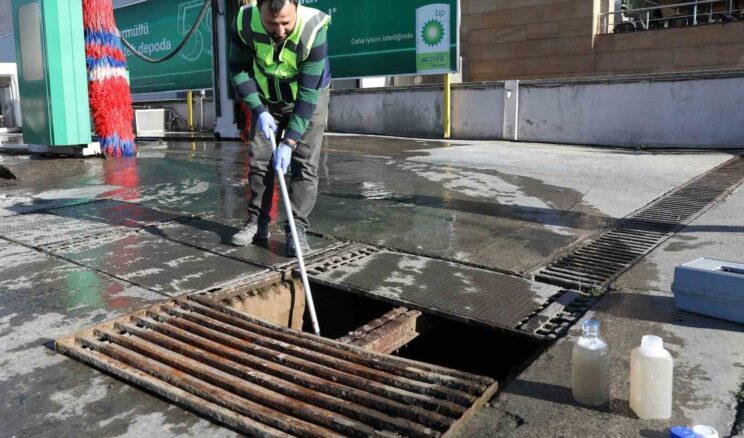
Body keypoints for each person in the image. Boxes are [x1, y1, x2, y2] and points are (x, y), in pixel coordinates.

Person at [228, 0, 331, 256]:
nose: (280, 30)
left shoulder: (313, 30)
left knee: (304, 164)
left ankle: (296, 229)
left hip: (308, 96)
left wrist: (290, 141)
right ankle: (257, 222)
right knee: (260, 160)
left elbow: (308, 96)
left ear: (296, 6)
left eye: (286, 22)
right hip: (265, 97)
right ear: (259, 9)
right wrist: (259, 110)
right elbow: (239, 70)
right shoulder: (244, 23)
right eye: (271, 23)